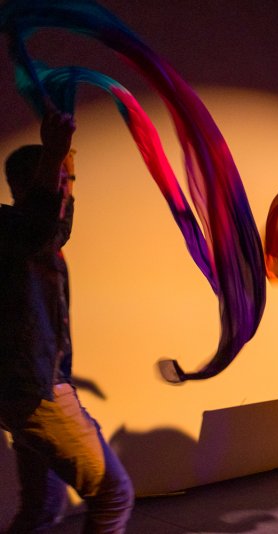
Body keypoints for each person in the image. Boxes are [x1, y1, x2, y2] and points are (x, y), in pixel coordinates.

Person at [0, 109, 134, 532]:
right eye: (61, 183)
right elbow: (40, 226)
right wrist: (55, 156)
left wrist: (63, 170)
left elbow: (53, 227)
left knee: (40, 509)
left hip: (34, 384)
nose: (66, 193)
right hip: (34, 390)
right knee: (113, 494)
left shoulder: (34, 234)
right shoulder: (10, 229)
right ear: (27, 184)